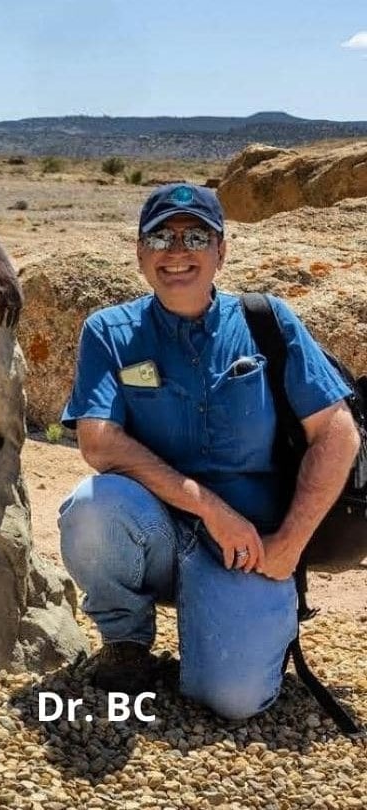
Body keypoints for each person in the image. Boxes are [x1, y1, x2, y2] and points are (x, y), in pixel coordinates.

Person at [57, 183, 362, 720]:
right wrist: (209, 508)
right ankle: (127, 642)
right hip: (157, 531)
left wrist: (290, 542)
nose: (177, 251)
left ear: (221, 250)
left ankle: (232, 621)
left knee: (234, 701)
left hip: (252, 545)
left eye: (196, 236)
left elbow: (337, 434)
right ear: (140, 252)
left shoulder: (267, 322)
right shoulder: (109, 331)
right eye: (161, 236)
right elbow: (97, 441)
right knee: (91, 507)